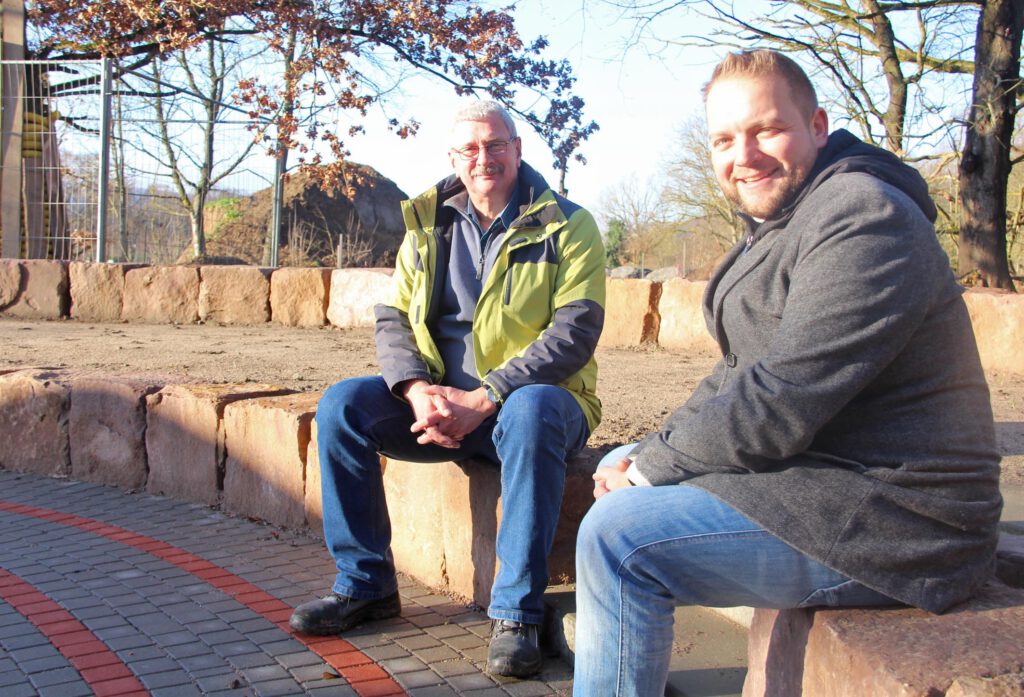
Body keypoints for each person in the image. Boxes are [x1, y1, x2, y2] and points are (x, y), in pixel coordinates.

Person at [572, 50, 1003, 697]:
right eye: (723, 139)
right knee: (626, 475)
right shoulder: (789, 219)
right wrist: (647, 452)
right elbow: (737, 374)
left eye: (765, 129)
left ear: (817, 125)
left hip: (907, 520)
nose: (742, 154)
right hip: (830, 478)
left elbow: (778, 403)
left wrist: (648, 471)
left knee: (618, 538)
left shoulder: (864, 216)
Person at [289, 100, 605, 679]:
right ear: (454, 157)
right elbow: (395, 319)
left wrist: (485, 396)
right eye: (470, 148)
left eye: (496, 145)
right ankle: (366, 585)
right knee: (341, 407)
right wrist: (415, 390)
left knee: (533, 411)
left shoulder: (569, 223)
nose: (484, 158)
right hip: (440, 406)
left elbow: (575, 332)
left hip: (531, 403)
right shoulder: (426, 222)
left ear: (517, 148)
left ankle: (516, 614)